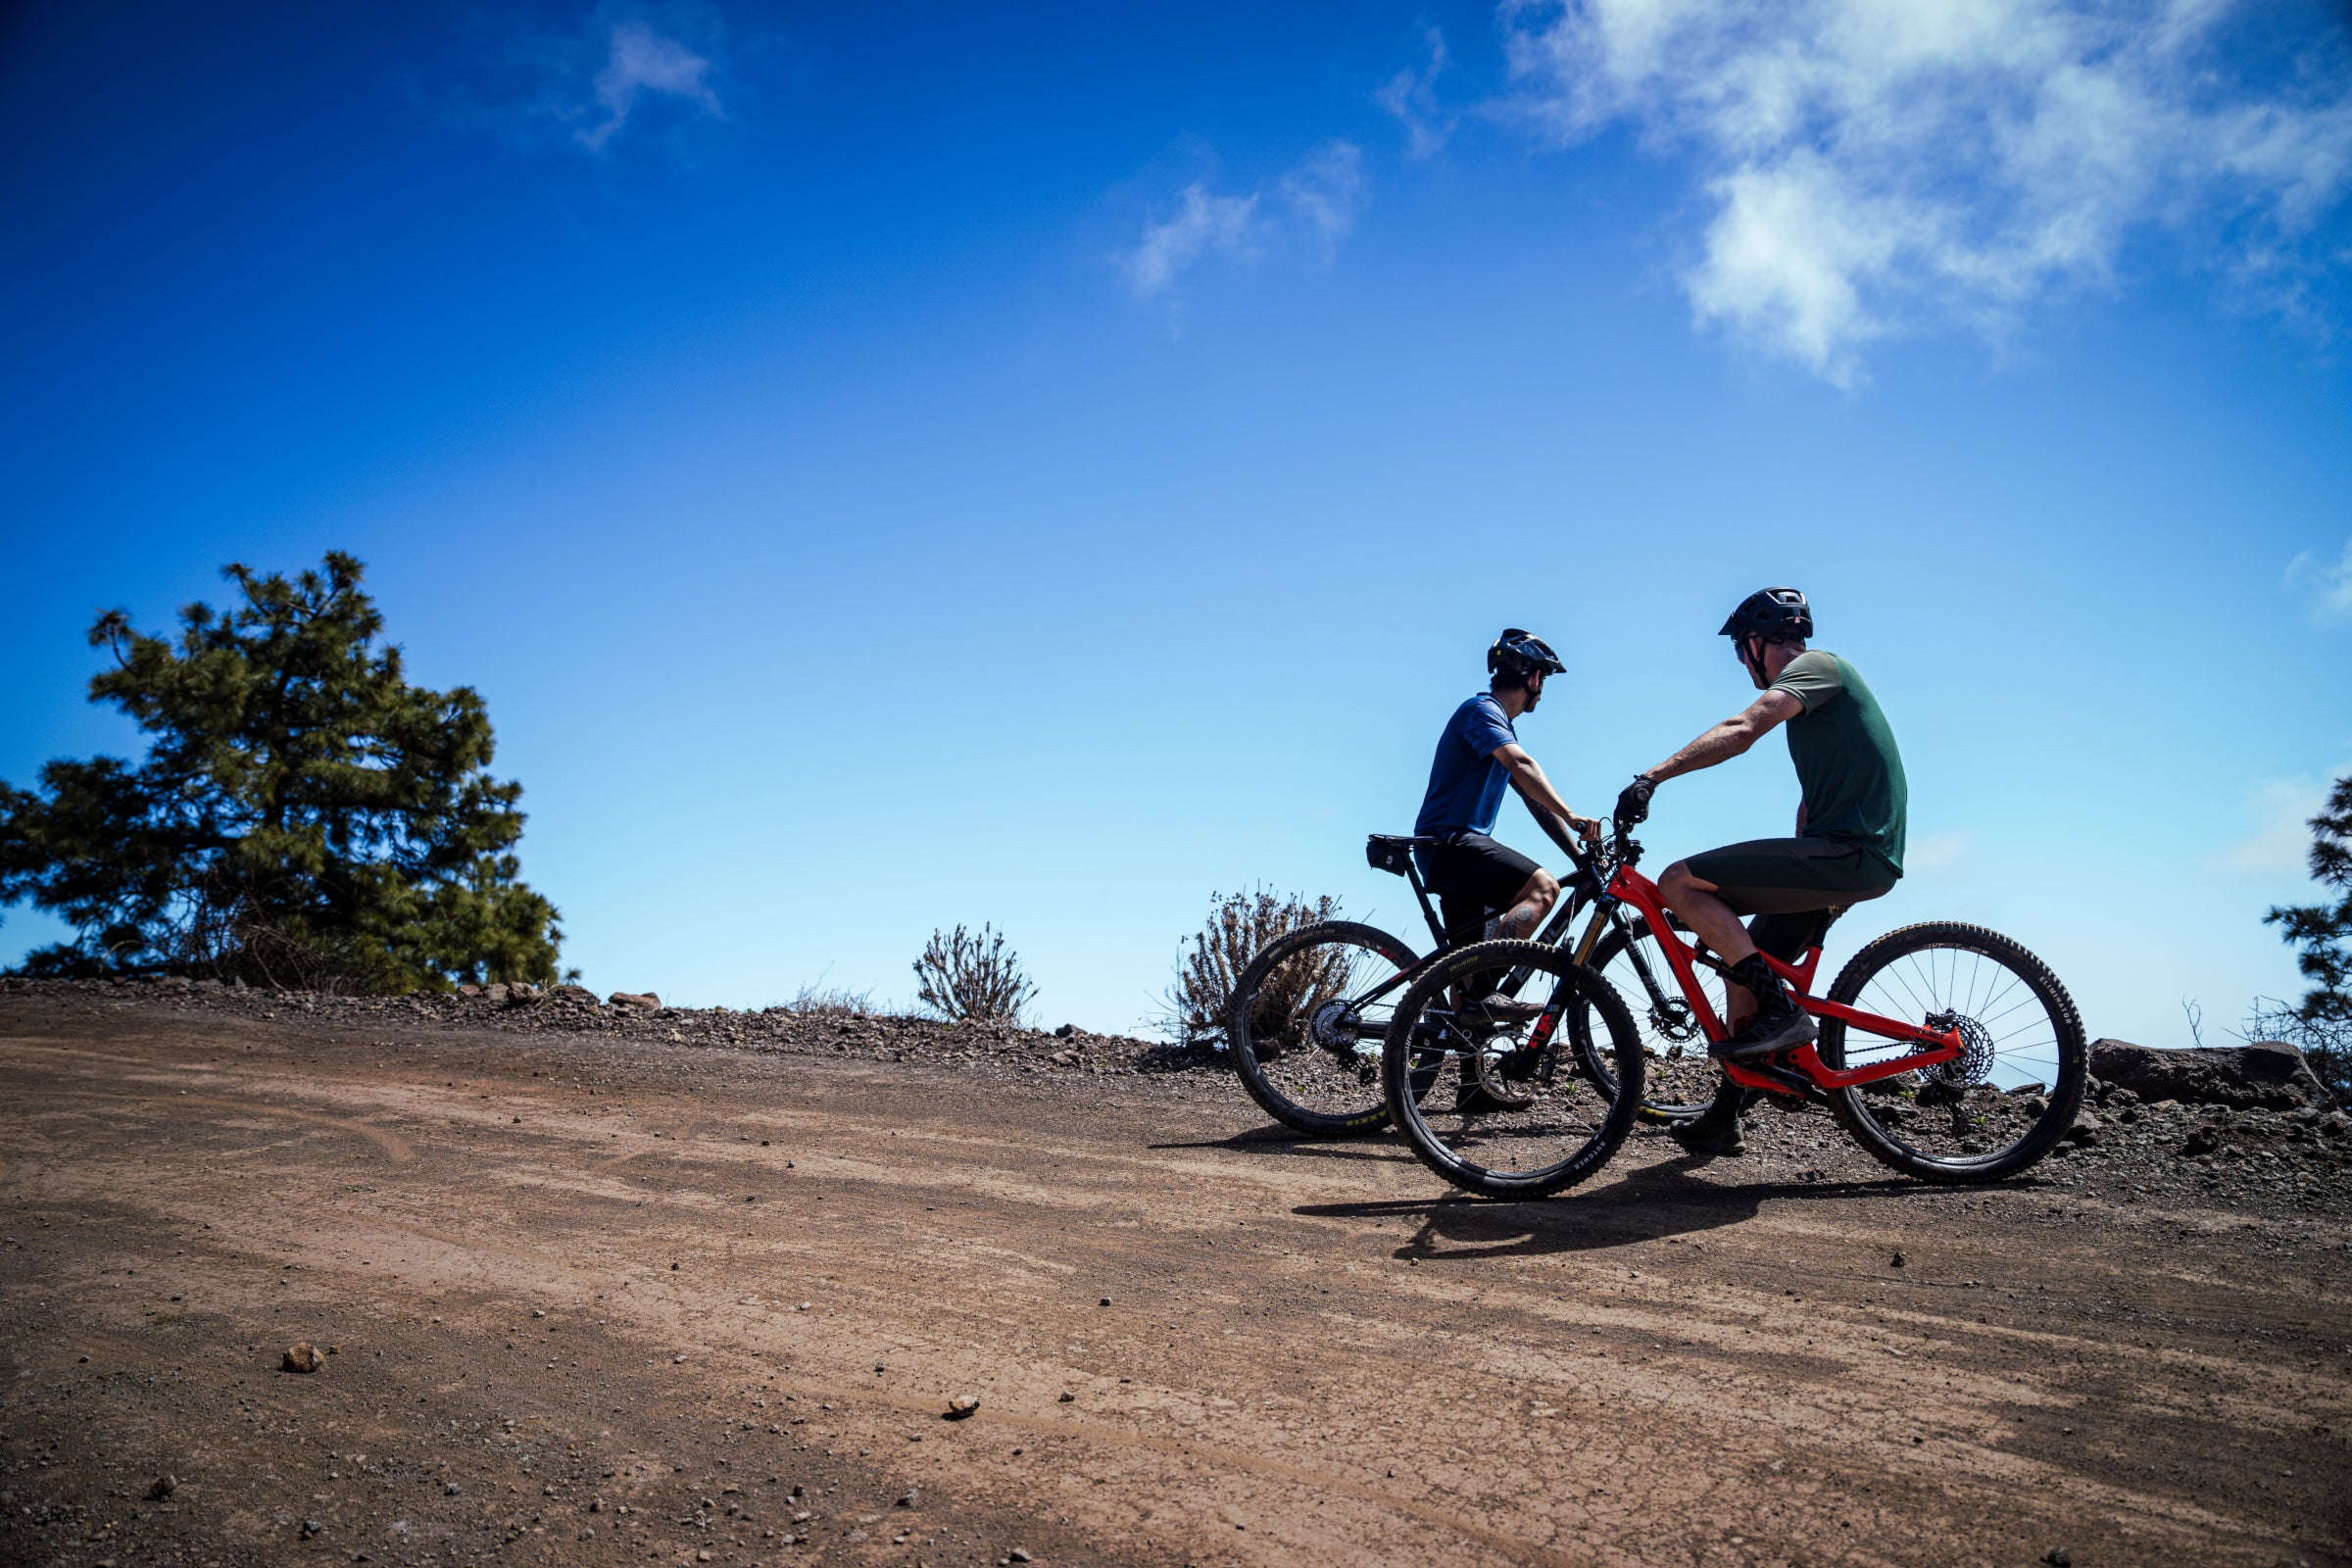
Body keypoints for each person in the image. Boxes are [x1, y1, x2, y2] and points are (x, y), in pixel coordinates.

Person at [1614, 587, 1907, 1156]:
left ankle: (1780, 1011)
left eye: (1739, 649)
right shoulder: (1818, 703)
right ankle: (1727, 1114)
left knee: (1678, 881)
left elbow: (1742, 729)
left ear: (1757, 642)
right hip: (1839, 855)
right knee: (1739, 965)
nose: (1739, 662)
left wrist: (1652, 777)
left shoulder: (1816, 668)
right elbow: (1810, 802)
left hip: (1850, 855)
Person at [1414, 628, 1603, 977]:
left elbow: (1536, 803)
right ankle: (1486, 994)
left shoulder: (1498, 728)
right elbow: (1522, 765)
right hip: (1451, 844)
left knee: (1466, 968)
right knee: (1544, 889)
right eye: (1544, 679)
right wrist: (1573, 815)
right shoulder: (1482, 711)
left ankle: (1460, 1016)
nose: (1542, 693)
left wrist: (1578, 857)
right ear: (1534, 677)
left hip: (1452, 850)